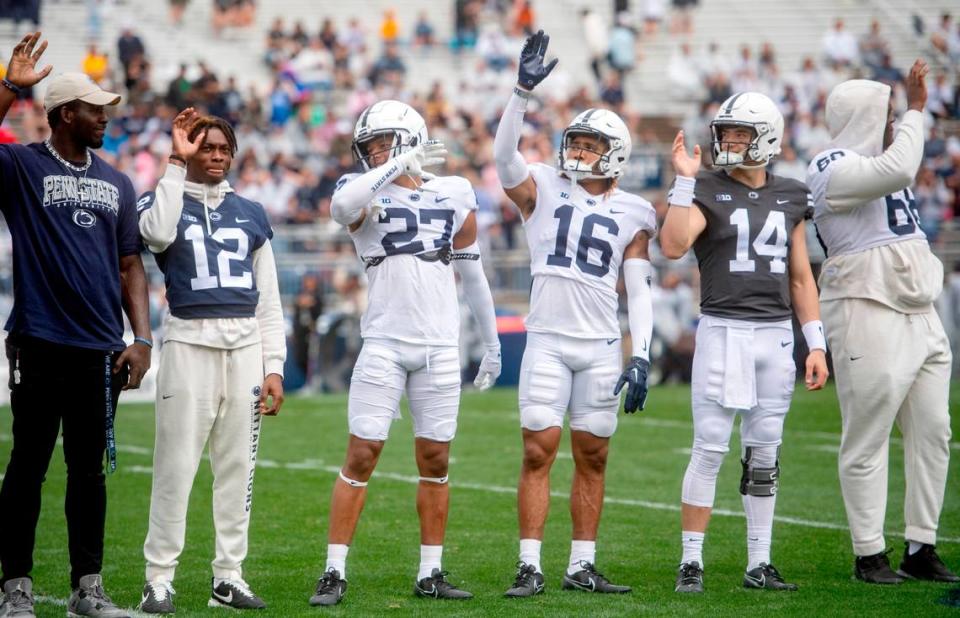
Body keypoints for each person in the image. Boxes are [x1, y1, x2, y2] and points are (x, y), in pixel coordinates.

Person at [308, 99, 501, 606]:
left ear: (411, 136)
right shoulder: (359, 191)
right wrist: (396, 163)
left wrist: (493, 341)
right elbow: (342, 209)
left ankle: (430, 572)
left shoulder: (455, 191)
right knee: (362, 453)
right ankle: (333, 570)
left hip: (440, 341)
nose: (372, 154)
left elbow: (472, 270)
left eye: (382, 143)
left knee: (436, 458)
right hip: (386, 340)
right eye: (367, 147)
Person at [493, 30, 656, 597]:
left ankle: (581, 564)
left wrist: (643, 354)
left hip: (601, 345)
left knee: (595, 454)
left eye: (589, 145)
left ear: (613, 153)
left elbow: (638, 288)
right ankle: (530, 564)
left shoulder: (635, 211)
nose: (577, 151)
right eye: (576, 142)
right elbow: (503, 157)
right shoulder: (542, 185)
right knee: (538, 450)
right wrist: (521, 93)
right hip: (548, 339)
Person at [0, 34, 151, 618]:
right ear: (66, 114)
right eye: (95, 110)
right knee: (27, 469)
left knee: (89, 475)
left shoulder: (116, 180)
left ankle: (88, 589)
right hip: (39, 341)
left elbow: (130, 265)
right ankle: (15, 588)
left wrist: (140, 337)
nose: (105, 119)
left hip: (99, 351)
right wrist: (12, 87)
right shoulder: (20, 166)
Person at [660, 91, 828, 594]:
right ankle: (691, 560)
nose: (729, 141)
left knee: (765, 452)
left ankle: (760, 560)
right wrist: (685, 181)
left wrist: (814, 342)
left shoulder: (793, 194)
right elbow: (671, 246)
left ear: (768, 138)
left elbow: (801, 277)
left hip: (776, 335)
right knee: (709, 449)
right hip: (723, 329)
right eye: (726, 132)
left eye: (741, 133)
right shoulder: (705, 185)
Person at [806, 60, 958, 585]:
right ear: (864, 114)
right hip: (866, 305)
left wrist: (911, 116)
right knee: (867, 434)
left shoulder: (879, 156)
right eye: (887, 112)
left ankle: (921, 544)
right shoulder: (830, 163)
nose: (895, 121)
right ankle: (869, 553)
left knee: (934, 432)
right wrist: (917, 108)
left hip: (919, 308)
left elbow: (897, 167)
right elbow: (897, 170)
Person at [136, 109, 286, 613]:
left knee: (237, 469)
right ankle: (158, 577)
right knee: (175, 468)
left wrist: (275, 365)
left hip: (244, 348)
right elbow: (155, 235)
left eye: (224, 149)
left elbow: (268, 298)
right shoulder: (165, 199)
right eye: (207, 148)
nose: (217, 156)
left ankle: (228, 576)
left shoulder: (251, 212)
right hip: (188, 345)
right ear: (189, 152)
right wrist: (175, 163)